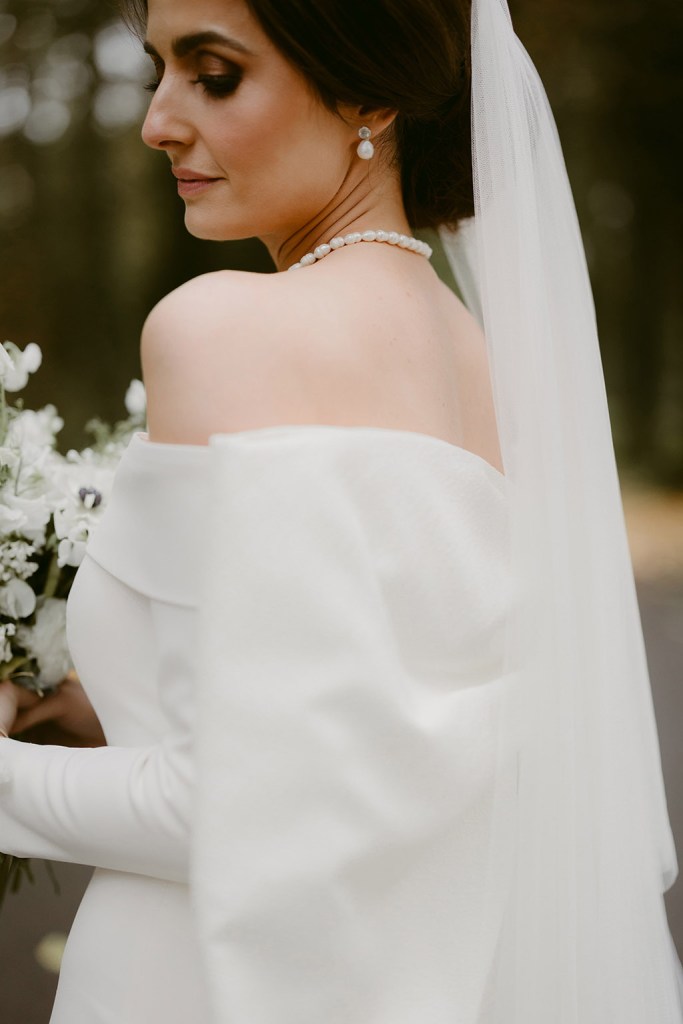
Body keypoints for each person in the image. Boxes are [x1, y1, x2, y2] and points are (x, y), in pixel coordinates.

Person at [1, 0, 682, 1022]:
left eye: (214, 73)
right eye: (156, 70)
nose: (158, 121)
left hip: (195, 979)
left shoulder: (216, 329)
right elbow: (368, 740)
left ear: (369, 89)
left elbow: (232, 806)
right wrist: (98, 709)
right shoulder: (480, 366)